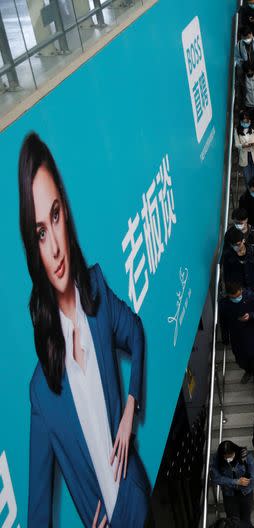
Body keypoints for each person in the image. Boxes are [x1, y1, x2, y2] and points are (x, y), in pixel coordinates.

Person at [19, 133, 150, 527]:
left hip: (138, 504)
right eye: (40, 233)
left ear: (67, 213)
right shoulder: (42, 391)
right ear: (32, 247)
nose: (55, 247)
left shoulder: (95, 290)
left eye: (55, 216)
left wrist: (131, 405)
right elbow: (39, 511)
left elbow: (137, 333)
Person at [219, 281, 254, 401]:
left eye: (238, 295)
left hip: (253, 336)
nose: (237, 298)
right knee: (241, 362)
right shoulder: (224, 304)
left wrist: (251, 316)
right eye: (233, 297)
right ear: (229, 295)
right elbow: (223, 323)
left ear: (241, 290)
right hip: (237, 339)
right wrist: (225, 338)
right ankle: (248, 370)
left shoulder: (251, 297)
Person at [209, 441, 254, 528]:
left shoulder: (245, 456)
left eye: (230, 456)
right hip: (229, 495)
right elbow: (216, 478)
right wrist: (236, 482)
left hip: (245, 493)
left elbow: (252, 476)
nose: (227, 459)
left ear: (235, 451)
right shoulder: (217, 459)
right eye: (225, 457)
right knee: (233, 521)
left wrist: (246, 482)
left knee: (246, 521)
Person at [222, 227, 254, 297]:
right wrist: (229, 290)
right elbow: (227, 274)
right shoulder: (228, 255)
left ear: (243, 240)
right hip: (237, 290)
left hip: (253, 287)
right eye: (233, 245)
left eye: (238, 244)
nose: (236, 247)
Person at [235, 110, 254, 183]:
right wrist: (243, 145)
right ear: (241, 120)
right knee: (247, 179)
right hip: (245, 156)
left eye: (247, 120)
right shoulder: (237, 129)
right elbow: (236, 144)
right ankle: (249, 193)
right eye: (244, 120)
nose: (245, 122)